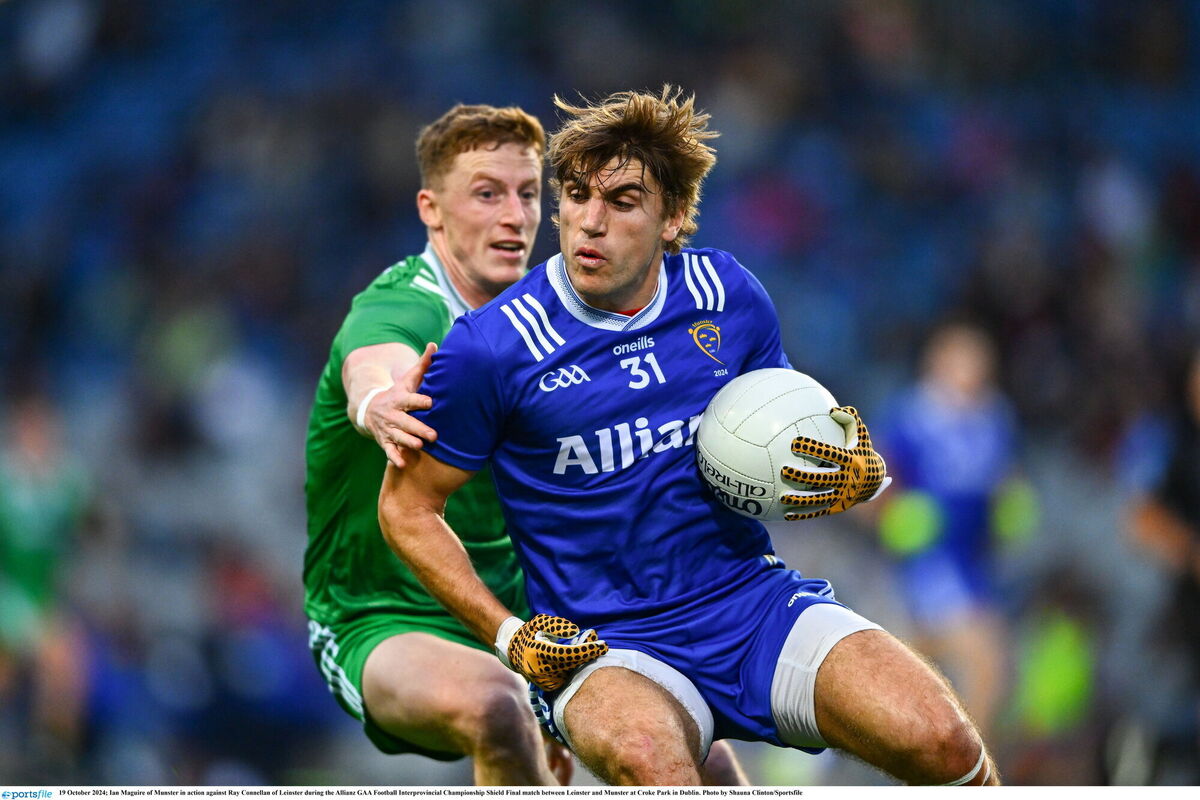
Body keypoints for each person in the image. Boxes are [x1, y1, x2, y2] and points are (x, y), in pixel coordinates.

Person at [378, 86, 999, 786]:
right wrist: (508, 633)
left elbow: (779, 443)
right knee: (655, 763)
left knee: (941, 738)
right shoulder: (491, 349)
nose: (589, 222)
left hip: (751, 604)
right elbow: (406, 508)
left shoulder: (727, 296)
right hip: (604, 646)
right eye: (576, 195)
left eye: (621, 202)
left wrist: (855, 478)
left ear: (672, 218)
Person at [302, 103, 746, 785]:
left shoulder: (555, 321)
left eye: (529, 193)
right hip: (384, 621)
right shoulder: (407, 305)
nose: (515, 215)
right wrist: (378, 402)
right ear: (431, 209)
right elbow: (377, 361)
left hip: (526, 618)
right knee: (497, 704)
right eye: (486, 194)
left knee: (699, 746)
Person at [873, 322, 1019, 738]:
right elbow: (875, 477)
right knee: (988, 659)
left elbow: (1004, 479)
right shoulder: (913, 414)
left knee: (907, 664)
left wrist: (1009, 506)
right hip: (933, 559)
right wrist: (896, 515)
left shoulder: (995, 417)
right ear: (936, 362)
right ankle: (972, 773)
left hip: (975, 559)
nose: (971, 369)